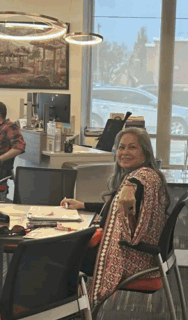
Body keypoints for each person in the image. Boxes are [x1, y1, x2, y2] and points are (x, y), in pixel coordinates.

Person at [59, 127, 170, 306]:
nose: (125, 152)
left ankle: (69, 317)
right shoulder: (149, 174)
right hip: (145, 254)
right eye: (121, 147)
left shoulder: (140, 177)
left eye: (132, 147)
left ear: (145, 152)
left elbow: (134, 188)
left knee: (59, 256)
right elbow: (116, 206)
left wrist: (128, 188)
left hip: (129, 256)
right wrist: (83, 205)